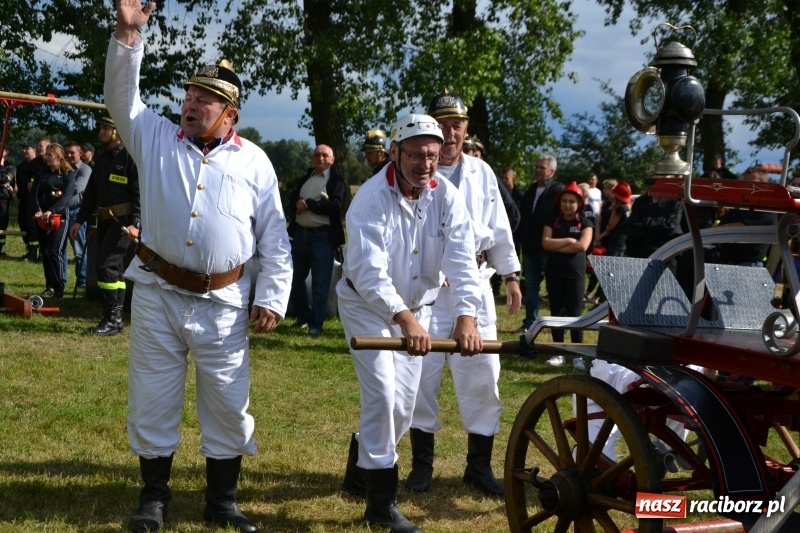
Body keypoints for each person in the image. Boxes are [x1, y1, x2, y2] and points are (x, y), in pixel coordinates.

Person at [107, 3, 293, 533]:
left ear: (230, 115)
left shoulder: (255, 161)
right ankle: (153, 499)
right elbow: (122, 96)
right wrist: (128, 32)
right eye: (189, 96)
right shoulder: (154, 137)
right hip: (158, 295)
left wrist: (272, 296)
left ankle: (222, 502)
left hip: (226, 302)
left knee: (229, 402)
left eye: (205, 99)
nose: (191, 104)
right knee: (152, 395)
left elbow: (274, 235)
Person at [337, 113, 483, 533]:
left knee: (403, 405)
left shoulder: (447, 197)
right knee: (383, 396)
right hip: (368, 305)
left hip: (418, 309)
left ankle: (358, 472)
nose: (426, 164)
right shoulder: (370, 198)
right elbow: (368, 271)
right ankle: (381, 508)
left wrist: (466, 317)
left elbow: (462, 259)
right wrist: (402, 318)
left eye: (434, 156)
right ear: (395, 153)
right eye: (417, 155)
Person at [404, 89, 521, 498]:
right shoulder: (418, 174)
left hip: (474, 278)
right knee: (422, 374)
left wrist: (510, 274)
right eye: (444, 125)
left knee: (483, 375)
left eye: (458, 126)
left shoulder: (482, 173)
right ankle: (422, 466)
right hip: (431, 284)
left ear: (466, 129)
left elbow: (500, 227)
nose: (451, 133)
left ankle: (478, 466)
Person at [70, 117, 140, 336]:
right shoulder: (102, 159)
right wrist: (80, 220)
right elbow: (90, 194)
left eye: (106, 128)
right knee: (115, 270)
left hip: (123, 223)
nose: (101, 131)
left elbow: (140, 194)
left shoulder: (130, 157)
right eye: (101, 127)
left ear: (117, 131)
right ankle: (115, 318)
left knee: (105, 266)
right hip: (104, 222)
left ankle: (112, 317)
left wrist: (137, 223)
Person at [287, 144, 346, 338]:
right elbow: (292, 198)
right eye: (316, 155)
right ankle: (304, 316)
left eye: (324, 155)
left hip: (322, 238)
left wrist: (309, 204)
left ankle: (315, 325)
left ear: (332, 159)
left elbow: (336, 206)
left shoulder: (335, 181)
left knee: (320, 284)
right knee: (294, 279)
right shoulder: (307, 177)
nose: (320, 158)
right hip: (301, 236)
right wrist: (296, 202)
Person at [542, 181, 594, 342]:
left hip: (575, 274)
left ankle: (577, 352)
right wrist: (570, 240)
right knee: (556, 311)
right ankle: (558, 349)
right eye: (564, 201)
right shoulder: (552, 220)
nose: (567, 205)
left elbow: (582, 245)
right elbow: (545, 243)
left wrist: (557, 245)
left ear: (579, 203)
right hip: (554, 272)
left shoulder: (585, 223)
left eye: (571, 201)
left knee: (575, 312)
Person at [518, 155, 564, 331]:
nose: (537, 170)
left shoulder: (558, 190)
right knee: (530, 285)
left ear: (551, 171)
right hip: (530, 246)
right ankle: (530, 322)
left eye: (542, 168)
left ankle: (556, 324)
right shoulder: (531, 190)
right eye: (536, 167)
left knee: (554, 287)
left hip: (549, 247)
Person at [31, 144, 76, 300]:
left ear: (58, 156)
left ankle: (59, 287)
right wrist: (38, 211)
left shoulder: (67, 174)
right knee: (45, 252)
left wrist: (52, 210)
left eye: (50, 155)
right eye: (46, 154)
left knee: (55, 251)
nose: (47, 157)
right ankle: (49, 285)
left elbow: (66, 196)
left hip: (59, 218)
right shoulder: (41, 174)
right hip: (41, 217)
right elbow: (34, 194)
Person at [715, 166, 777, 267]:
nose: (746, 186)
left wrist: (719, 229)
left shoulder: (766, 208)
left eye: (752, 182)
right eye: (744, 182)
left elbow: (735, 229)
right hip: (727, 264)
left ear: (764, 185)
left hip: (749, 266)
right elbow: (718, 226)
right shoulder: (739, 208)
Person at [63, 142, 92, 289]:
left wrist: (59, 190)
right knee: (60, 249)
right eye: (66, 152)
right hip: (62, 212)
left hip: (76, 213)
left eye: (72, 152)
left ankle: (82, 281)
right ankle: (61, 281)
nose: (68, 155)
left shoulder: (85, 169)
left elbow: (76, 188)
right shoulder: (62, 169)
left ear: (80, 153)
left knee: (79, 250)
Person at [15, 140, 46, 262]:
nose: (24, 151)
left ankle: (36, 253)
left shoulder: (39, 164)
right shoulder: (21, 166)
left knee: (34, 226)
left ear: (34, 150)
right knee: (24, 224)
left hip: (36, 200)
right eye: (23, 148)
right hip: (23, 199)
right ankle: (30, 249)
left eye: (27, 148)